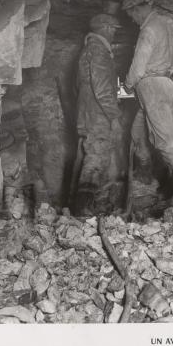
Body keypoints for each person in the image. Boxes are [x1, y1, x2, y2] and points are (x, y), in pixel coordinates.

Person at [122, 0, 173, 205]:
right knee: (138, 133)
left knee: (163, 135)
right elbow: (172, 62)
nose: (132, 20)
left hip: (150, 84)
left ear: (138, 9)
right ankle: (143, 183)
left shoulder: (148, 29)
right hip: (165, 82)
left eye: (132, 15)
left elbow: (138, 66)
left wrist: (127, 85)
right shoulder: (163, 24)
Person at [73, 13, 123, 214]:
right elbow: (102, 89)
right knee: (96, 154)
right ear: (106, 28)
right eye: (113, 29)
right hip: (98, 113)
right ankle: (82, 208)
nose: (114, 33)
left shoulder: (88, 50)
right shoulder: (99, 51)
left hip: (88, 110)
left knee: (95, 154)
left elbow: (78, 87)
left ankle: (92, 205)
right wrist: (115, 116)